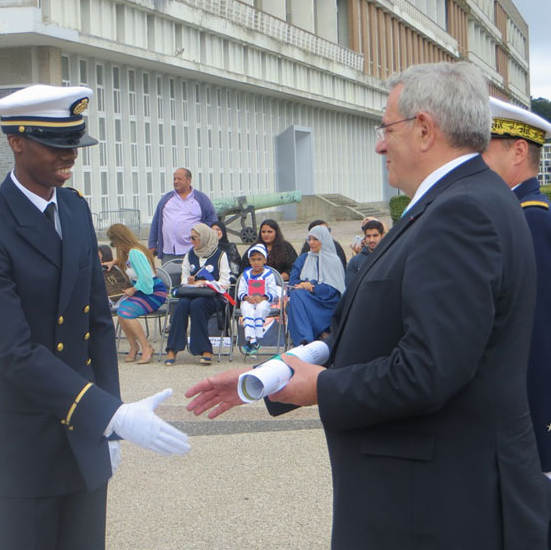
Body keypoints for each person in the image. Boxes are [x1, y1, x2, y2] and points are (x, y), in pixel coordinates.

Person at [184, 62, 550, 548]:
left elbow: (429, 369)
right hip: (431, 495)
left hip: (435, 506)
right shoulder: (453, 201)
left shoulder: (461, 212)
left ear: (424, 130)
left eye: (386, 128)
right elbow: (381, 323)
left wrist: (322, 389)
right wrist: (287, 366)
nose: (379, 144)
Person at [0, 84, 189, 550]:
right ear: (15, 141)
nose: (69, 157)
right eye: (55, 146)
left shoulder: (76, 209)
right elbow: (13, 350)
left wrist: (109, 423)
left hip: (85, 436)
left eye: (73, 145)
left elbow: (98, 324)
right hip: (23, 439)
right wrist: (112, 413)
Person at [483, 96, 551, 481]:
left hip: (531, 412)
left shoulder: (531, 222)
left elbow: (539, 332)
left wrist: (541, 424)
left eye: (485, 150)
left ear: (519, 150)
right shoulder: (515, 216)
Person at [164, 222, 230, 366]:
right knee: (182, 305)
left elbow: (225, 282)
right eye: (190, 238)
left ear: (205, 238)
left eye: (195, 238)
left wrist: (206, 283)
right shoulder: (190, 254)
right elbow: (184, 277)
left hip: (213, 296)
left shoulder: (220, 255)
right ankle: (172, 348)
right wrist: (189, 281)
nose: (191, 242)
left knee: (197, 305)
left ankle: (205, 349)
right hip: (192, 292)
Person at [105, 223, 167, 364]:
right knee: (122, 313)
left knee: (125, 312)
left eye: (114, 243)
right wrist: (114, 262)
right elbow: (129, 264)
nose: (115, 246)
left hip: (153, 292)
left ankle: (146, 346)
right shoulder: (134, 251)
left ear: (119, 240)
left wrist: (133, 289)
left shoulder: (135, 253)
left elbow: (145, 278)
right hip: (145, 290)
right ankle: (134, 346)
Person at [287, 225, 345, 345]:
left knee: (297, 300)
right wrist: (303, 285)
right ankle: (310, 338)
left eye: (315, 239)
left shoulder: (333, 260)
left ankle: (306, 338)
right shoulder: (303, 259)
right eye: (310, 239)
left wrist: (312, 287)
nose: (311, 243)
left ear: (324, 240)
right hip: (306, 298)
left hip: (327, 301)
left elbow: (333, 289)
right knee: (297, 295)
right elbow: (293, 281)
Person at [148, 168, 217, 263]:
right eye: (174, 179)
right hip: (168, 253)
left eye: (179, 179)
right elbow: (156, 223)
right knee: (169, 277)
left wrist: (201, 240)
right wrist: (152, 245)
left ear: (189, 180)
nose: (176, 181)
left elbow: (212, 221)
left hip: (192, 252)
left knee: (189, 277)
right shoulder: (166, 199)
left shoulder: (201, 199)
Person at [237, 244, 279, 355]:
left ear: (265, 260)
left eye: (259, 259)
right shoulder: (245, 275)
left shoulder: (269, 275)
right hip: (249, 300)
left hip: (263, 300)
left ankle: (253, 340)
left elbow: (273, 292)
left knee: (261, 308)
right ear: (249, 261)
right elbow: (240, 291)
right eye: (253, 259)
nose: (256, 262)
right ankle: (253, 340)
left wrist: (263, 297)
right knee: (246, 309)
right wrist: (246, 297)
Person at [344, 219, 384, 287]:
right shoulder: (355, 261)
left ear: (382, 236)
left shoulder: (391, 256)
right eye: (368, 236)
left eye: (375, 236)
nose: (371, 240)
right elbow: (350, 288)